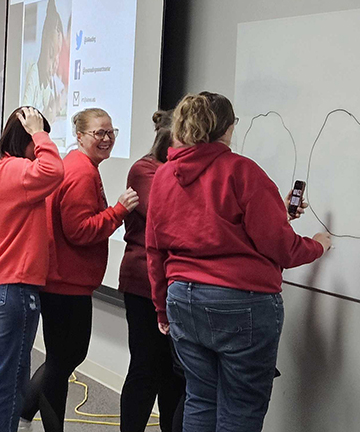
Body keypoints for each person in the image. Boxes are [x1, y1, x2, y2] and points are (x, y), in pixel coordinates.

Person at [146, 92, 331, 432]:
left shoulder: (163, 176)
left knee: (200, 399)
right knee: (241, 407)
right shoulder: (241, 171)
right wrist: (317, 246)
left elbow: (158, 248)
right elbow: (281, 248)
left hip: (182, 299)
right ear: (227, 128)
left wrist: (161, 307)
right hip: (240, 302)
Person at [20, 108, 139, 432]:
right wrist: (118, 212)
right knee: (64, 359)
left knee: (64, 356)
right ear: (80, 136)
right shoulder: (81, 172)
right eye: (98, 133)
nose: (107, 139)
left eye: (110, 131)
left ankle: (24, 410)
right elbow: (79, 231)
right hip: (65, 283)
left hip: (65, 280)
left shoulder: (79, 166)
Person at [0, 107, 64, 432]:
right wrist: (40, 132)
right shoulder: (19, 170)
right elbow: (54, 171)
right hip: (14, 287)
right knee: (10, 380)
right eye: (36, 139)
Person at [118, 110, 185, 432]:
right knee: (146, 369)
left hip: (177, 285)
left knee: (175, 373)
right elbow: (170, 218)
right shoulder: (145, 170)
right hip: (144, 281)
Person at [22, 0, 65, 125]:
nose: (55, 63)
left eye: (58, 55)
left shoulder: (50, 84)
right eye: (52, 54)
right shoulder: (34, 73)